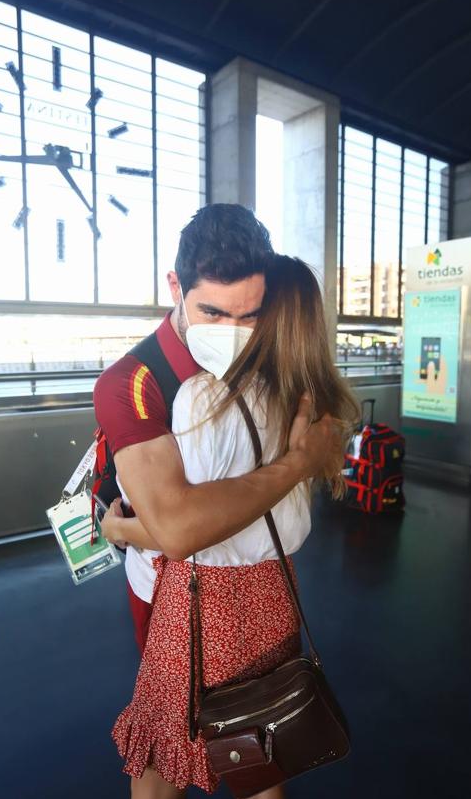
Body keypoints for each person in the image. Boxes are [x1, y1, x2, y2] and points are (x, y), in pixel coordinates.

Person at [101, 255, 358, 799]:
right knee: (260, 767)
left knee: (155, 785)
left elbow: (183, 530)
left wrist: (117, 529)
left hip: (201, 606)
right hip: (273, 596)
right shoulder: (306, 400)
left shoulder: (199, 400)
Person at [93, 205, 338, 656]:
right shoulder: (132, 384)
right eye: (212, 313)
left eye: (249, 316)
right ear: (175, 287)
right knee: (189, 717)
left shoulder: (269, 358)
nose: (232, 332)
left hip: (270, 582)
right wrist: (299, 463)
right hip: (171, 595)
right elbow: (179, 531)